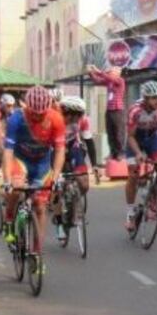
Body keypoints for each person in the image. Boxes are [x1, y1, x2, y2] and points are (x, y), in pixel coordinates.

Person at [1, 86, 66, 256]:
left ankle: (36, 252)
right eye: (34, 112)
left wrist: (57, 176)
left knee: (40, 206)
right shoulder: (16, 118)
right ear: (27, 107)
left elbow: (60, 150)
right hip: (20, 160)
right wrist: (7, 179)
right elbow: (8, 151)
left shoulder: (56, 119)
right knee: (15, 188)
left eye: (42, 113)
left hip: (41, 165)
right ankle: (9, 218)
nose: (38, 116)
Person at [123, 80, 157, 231]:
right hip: (136, 140)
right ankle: (130, 211)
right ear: (145, 98)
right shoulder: (135, 110)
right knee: (133, 175)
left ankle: (153, 192)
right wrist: (139, 153)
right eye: (153, 98)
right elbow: (131, 136)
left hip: (153, 137)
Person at [51, 95, 99, 242]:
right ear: (66, 112)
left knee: (83, 182)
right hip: (53, 149)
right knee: (56, 187)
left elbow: (89, 142)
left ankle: (74, 206)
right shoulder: (54, 119)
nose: (79, 118)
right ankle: (59, 223)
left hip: (72, 147)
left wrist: (95, 165)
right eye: (76, 115)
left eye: (81, 115)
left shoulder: (82, 121)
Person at [88, 65, 127, 161]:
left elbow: (109, 77)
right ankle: (113, 153)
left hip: (118, 110)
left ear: (117, 73)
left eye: (111, 71)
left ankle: (120, 153)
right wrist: (90, 73)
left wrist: (98, 71)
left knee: (119, 133)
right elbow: (97, 81)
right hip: (109, 110)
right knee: (110, 133)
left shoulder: (120, 81)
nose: (109, 73)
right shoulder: (109, 82)